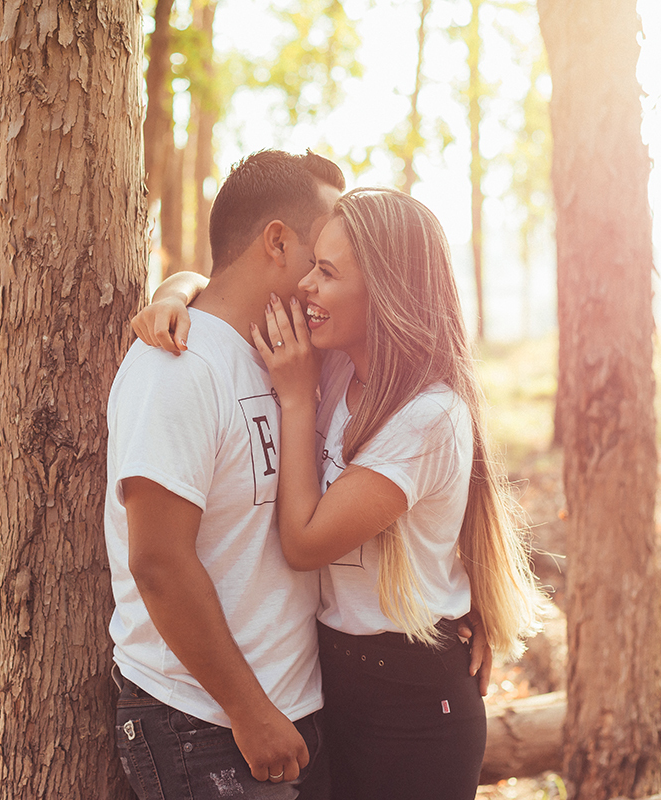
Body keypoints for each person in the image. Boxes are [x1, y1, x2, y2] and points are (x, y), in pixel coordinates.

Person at [136, 188, 543, 799]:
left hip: (413, 699)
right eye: (312, 266)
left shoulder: (426, 416)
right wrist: (174, 290)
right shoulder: (335, 363)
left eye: (326, 273)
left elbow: (303, 544)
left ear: (384, 289)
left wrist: (297, 400)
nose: (306, 286)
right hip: (334, 683)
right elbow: (224, 283)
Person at [104, 149, 345, 800]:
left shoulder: (285, 355)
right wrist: (249, 711)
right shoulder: (174, 367)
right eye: (320, 255)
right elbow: (158, 561)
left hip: (295, 709)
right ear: (277, 242)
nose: (331, 274)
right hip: (204, 722)